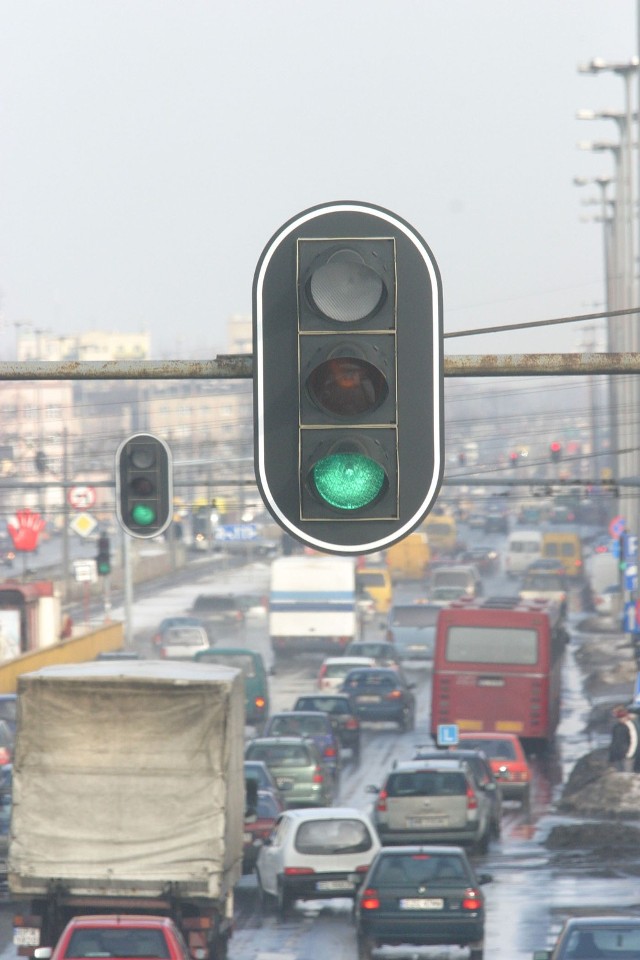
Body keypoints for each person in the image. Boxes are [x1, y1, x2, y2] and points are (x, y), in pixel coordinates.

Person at [608, 704, 640, 771]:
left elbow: (635, 741)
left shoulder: (630, 725)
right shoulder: (616, 726)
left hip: (627, 756)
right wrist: (612, 756)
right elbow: (614, 742)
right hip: (617, 757)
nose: (620, 719)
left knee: (627, 774)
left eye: (621, 717)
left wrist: (629, 755)